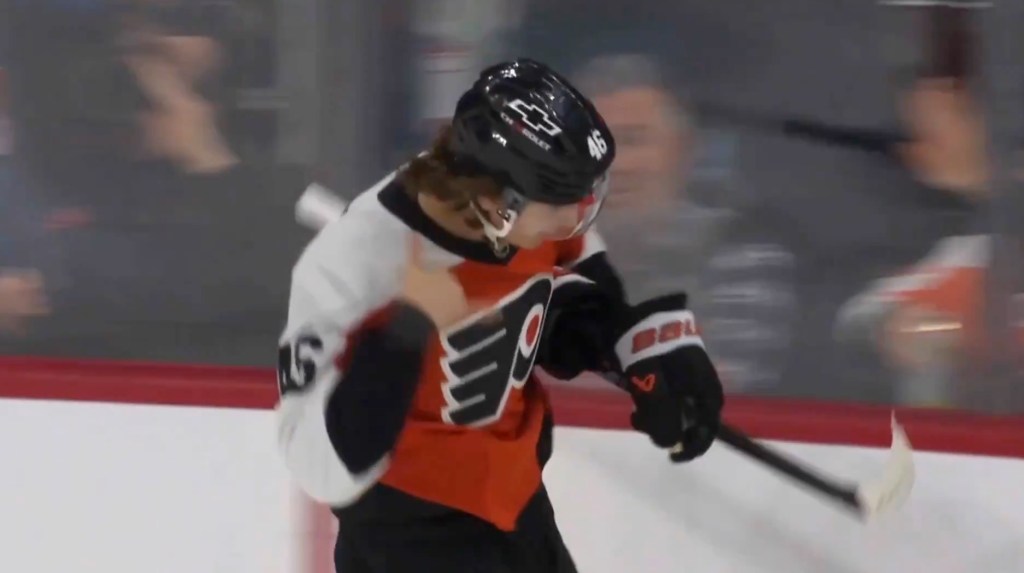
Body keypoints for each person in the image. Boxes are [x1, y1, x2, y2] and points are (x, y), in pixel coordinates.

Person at [274, 58, 725, 573]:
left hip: (516, 502)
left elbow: (576, 291)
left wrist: (648, 353)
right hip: (409, 534)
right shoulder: (345, 268)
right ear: (497, 205)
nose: (578, 217)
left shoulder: (530, 217)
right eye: (566, 203)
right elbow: (321, 464)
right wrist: (410, 323)